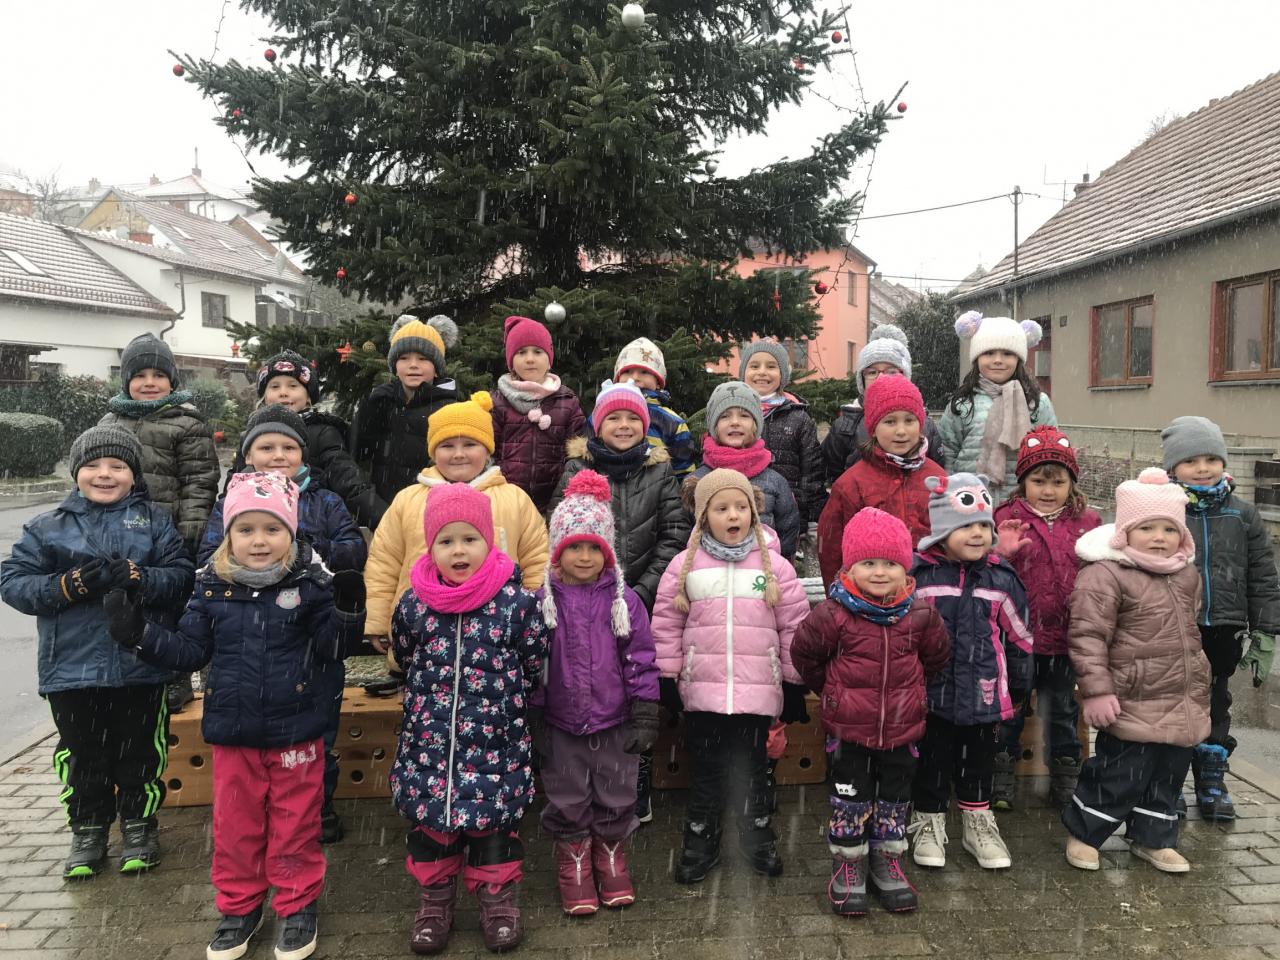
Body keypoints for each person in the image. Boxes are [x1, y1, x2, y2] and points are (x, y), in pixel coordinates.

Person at [108, 471, 366, 960]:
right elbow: (189, 651)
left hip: (297, 733)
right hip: (234, 733)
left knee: (295, 826)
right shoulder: (211, 588)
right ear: (229, 535)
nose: (259, 540)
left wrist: (348, 614)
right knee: (235, 828)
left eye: (272, 528)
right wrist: (138, 633)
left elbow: (333, 649)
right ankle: (239, 908)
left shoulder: (310, 584)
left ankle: (296, 905)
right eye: (245, 529)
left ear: (291, 532)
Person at [0, 426, 192, 879]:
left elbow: (182, 577)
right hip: (71, 669)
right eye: (93, 465)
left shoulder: (154, 520)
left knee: (140, 754)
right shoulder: (47, 527)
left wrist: (140, 577)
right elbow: (13, 582)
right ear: (76, 472)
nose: (105, 474)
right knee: (83, 756)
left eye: (117, 466)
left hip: (140, 665)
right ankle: (87, 830)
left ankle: (139, 827)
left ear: (133, 474)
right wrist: (65, 586)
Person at [198, 404, 368, 844]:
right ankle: (258, 814)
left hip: (311, 630)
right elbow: (210, 557)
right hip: (248, 628)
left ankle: (318, 803)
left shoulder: (325, 501)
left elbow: (352, 547)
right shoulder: (229, 504)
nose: (278, 455)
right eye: (266, 447)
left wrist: (302, 551)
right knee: (252, 739)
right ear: (247, 455)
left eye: (288, 447)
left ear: (303, 454)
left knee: (317, 727)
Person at [389, 483, 547, 955]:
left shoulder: (516, 603)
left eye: (469, 539)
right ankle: (435, 902)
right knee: (432, 830)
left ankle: (498, 902)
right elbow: (405, 654)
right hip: (431, 744)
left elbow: (533, 661)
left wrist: (505, 705)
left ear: (488, 541)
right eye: (446, 541)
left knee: (494, 829)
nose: (458, 551)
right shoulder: (414, 605)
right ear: (430, 546)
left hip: (495, 743)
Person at [651, 469, 810, 884]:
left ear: (754, 513)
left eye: (741, 507)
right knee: (706, 771)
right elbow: (666, 623)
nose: (733, 515)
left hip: (756, 693)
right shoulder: (684, 567)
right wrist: (667, 675)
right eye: (721, 508)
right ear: (704, 516)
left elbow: (794, 626)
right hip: (702, 693)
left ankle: (756, 836)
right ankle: (701, 837)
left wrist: (793, 681)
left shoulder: (775, 567)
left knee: (753, 769)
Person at [792, 508, 950, 915]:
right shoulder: (833, 615)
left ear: (905, 567)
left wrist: (911, 695)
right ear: (850, 567)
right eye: (868, 563)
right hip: (849, 732)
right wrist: (832, 692)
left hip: (902, 729)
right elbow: (806, 656)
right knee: (850, 801)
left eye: (890, 564)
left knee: (895, 799)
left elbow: (935, 659)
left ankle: (887, 859)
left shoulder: (921, 615)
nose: (880, 572)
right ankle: (848, 864)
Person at [550, 380, 691, 823]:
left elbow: (673, 533)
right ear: (598, 424)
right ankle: (578, 791)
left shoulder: (659, 471)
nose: (624, 425)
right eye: (614, 417)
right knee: (592, 685)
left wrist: (642, 591)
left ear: (646, 427)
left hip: (641, 599)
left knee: (634, 686)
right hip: (583, 599)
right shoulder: (577, 468)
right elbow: (559, 529)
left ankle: (634, 782)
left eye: (633, 418)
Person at [1062, 468, 1209, 873]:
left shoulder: (1185, 573)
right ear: (1125, 531)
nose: (1160, 538)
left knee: (1167, 777)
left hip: (1181, 697)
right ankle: (1084, 833)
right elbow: (1088, 636)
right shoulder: (1105, 574)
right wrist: (1096, 690)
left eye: (1169, 529)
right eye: (1147, 528)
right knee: (1119, 774)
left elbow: (1190, 627)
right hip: (1131, 698)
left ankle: (1153, 837)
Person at [532, 469, 660, 916]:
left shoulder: (623, 601)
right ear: (558, 551)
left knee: (616, 793)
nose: (584, 557)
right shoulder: (543, 602)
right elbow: (534, 662)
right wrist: (533, 713)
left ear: (607, 551)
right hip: (561, 722)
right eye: (574, 548)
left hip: (614, 720)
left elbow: (639, 656)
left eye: (593, 548)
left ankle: (610, 854)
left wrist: (645, 709)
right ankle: (574, 861)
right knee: (567, 796)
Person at [908, 473, 1032, 872]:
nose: (977, 534)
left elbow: (1020, 636)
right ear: (942, 532)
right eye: (965, 526)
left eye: (983, 525)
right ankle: (928, 819)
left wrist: (1020, 682)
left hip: (985, 692)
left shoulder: (1000, 578)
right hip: (933, 694)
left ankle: (978, 822)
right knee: (932, 759)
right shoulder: (920, 577)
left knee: (979, 761)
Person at [364, 392, 549, 651]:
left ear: (487, 449)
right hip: (422, 640)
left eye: (470, 444)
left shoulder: (514, 499)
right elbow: (384, 563)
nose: (459, 454)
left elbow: (537, 561)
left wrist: (531, 616)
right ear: (433, 452)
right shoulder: (408, 501)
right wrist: (378, 620)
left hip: (494, 645)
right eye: (447, 446)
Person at [1162, 416, 1280, 820]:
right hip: (1175, 626)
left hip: (1224, 628)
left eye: (1211, 458)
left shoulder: (1242, 514)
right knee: (1173, 701)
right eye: (1191, 460)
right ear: (1172, 466)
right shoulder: (1165, 511)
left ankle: (1211, 779)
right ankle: (1169, 782)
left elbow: (1263, 573)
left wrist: (1265, 628)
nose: (1202, 468)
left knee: (1215, 702)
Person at [98, 332, 219, 713]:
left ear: (172, 381)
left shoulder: (186, 422)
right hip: (123, 533)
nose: (149, 382)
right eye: (140, 375)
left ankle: (176, 677)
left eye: (158, 375)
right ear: (126, 381)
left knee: (172, 605)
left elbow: (200, 480)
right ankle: (132, 676)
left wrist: (191, 531)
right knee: (131, 603)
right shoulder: (110, 422)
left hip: (170, 535)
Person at [989, 427, 1101, 811]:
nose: (1048, 490)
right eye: (1038, 481)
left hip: (1064, 639)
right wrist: (999, 554)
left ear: (1072, 483)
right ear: (1023, 481)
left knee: (1063, 712)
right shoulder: (1006, 518)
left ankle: (1065, 779)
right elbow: (986, 570)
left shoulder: (1087, 522)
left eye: (1058, 482)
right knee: (1009, 709)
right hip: (1015, 638)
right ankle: (999, 776)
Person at [818, 376, 945, 587]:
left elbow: (954, 540)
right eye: (890, 421)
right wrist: (839, 595)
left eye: (909, 420)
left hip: (931, 591)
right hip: (871, 593)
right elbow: (832, 550)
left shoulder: (937, 478)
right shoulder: (852, 484)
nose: (901, 431)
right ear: (873, 428)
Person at [244, 350, 387, 528]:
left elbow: (349, 482)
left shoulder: (323, 433)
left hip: (311, 524)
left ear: (308, 397)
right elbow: (235, 482)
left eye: (293, 386)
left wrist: (386, 520)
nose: (283, 393)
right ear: (264, 396)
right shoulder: (253, 435)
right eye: (274, 387)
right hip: (258, 524)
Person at [938, 312, 1056, 503]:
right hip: (970, 504)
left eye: (1007, 353)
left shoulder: (1037, 403)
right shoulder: (962, 404)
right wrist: (947, 497)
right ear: (977, 358)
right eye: (989, 353)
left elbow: (1050, 455)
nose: (998, 360)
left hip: (1021, 505)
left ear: (1019, 359)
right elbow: (947, 455)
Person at [350, 314, 463, 506]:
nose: (413, 365)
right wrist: (368, 410)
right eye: (404, 358)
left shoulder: (450, 408)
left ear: (436, 367)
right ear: (395, 366)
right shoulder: (381, 402)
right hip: (383, 507)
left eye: (423, 358)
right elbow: (358, 453)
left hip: (429, 506)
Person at [688, 380, 801, 559]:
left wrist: (780, 567)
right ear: (713, 426)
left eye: (744, 415)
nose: (735, 422)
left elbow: (787, 532)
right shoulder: (697, 480)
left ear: (756, 425)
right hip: (707, 572)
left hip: (762, 572)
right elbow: (683, 534)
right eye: (725, 416)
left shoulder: (774, 481)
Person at [821, 324, 946, 484]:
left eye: (891, 371)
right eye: (872, 372)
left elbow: (938, 476)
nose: (881, 378)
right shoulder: (846, 426)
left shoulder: (926, 426)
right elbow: (832, 477)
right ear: (862, 379)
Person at [491, 315, 586, 513]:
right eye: (521, 352)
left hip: (554, 501)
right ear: (511, 361)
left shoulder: (567, 402)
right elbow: (489, 451)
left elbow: (576, 455)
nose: (530, 358)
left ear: (549, 360)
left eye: (537, 351)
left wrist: (562, 494)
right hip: (507, 503)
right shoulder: (498, 402)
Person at [738, 340, 826, 530]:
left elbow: (811, 473)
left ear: (782, 374)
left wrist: (809, 516)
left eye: (771, 366)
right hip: (738, 512)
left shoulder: (798, 418)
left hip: (787, 517)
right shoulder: (732, 414)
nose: (762, 372)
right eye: (754, 366)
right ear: (743, 372)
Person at [613, 337, 698, 477]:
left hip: (657, 488)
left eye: (644, 372)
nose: (634, 377)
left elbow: (683, 470)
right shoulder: (604, 414)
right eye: (627, 371)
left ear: (658, 382)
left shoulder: (672, 421)